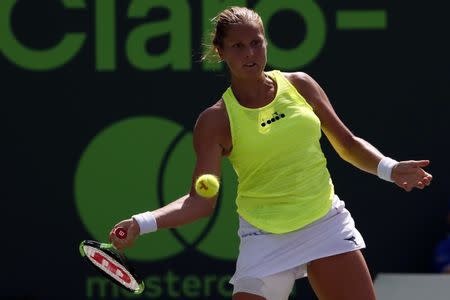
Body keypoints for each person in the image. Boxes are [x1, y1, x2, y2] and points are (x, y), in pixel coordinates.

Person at [109, 6, 432, 300]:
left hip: (324, 223)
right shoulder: (216, 120)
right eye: (238, 46)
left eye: (257, 43)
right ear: (220, 52)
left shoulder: (301, 85)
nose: (250, 53)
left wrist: (389, 168)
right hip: (264, 238)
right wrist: (143, 222)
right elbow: (199, 201)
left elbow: (346, 144)